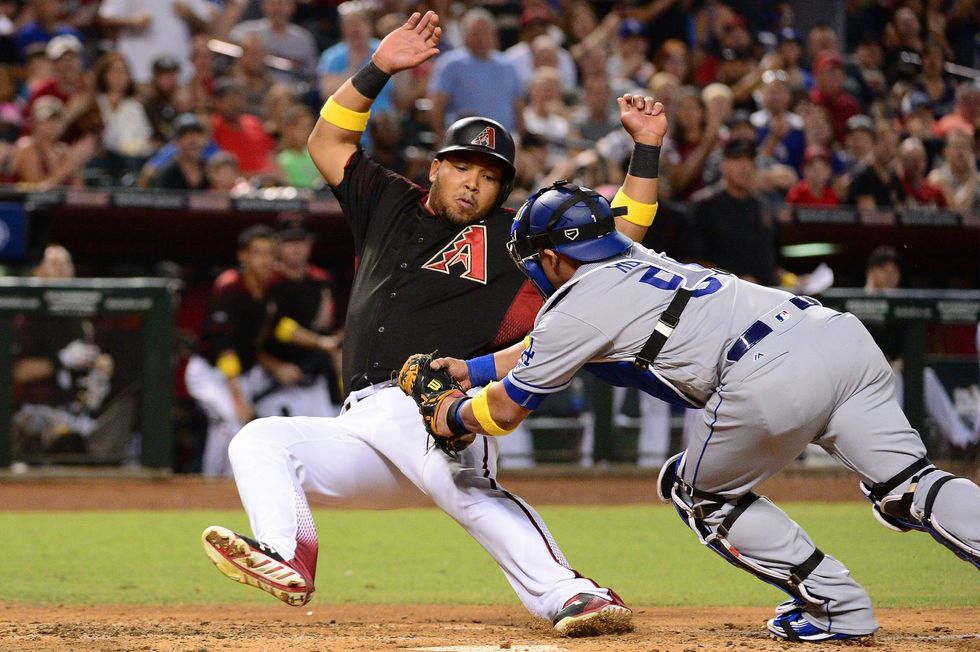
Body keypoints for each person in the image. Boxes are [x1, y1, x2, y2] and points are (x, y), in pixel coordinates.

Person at [200, 11, 666, 637]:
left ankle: (571, 593)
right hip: (361, 421)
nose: (476, 183)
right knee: (258, 440)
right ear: (437, 166)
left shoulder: (514, 239)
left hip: (433, 400)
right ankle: (290, 556)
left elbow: (618, 235)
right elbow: (327, 144)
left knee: (466, 488)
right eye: (466, 167)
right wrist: (380, 68)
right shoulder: (388, 202)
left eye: (492, 177)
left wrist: (647, 148)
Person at [415, 177, 980, 644]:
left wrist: (452, 414)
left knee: (700, 492)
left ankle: (838, 608)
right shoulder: (634, 256)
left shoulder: (573, 306)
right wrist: (471, 370)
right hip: (834, 335)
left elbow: (508, 410)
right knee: (911, 483)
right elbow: (549, 346)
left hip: (767, 373)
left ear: (550, 257)